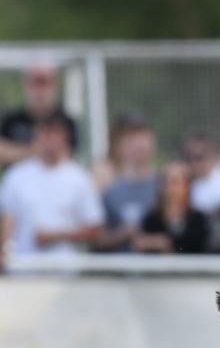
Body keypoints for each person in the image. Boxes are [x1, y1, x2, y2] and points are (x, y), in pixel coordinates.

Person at [0, 113, 103, 264]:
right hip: (23, 270)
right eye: (44, 132)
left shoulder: (79, 178)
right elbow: (8, 220)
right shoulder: (16, 176)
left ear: (65, 137)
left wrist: (57, 236)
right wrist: (5, 251)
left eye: (54, 133)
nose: (49, 140)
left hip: (66, 274)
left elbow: (94, 227)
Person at [95, 117, 159, 252]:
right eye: (134, 141)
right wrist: (123, 234)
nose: (140, 146)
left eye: (145, 141)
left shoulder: (167, 186)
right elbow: (97, 240)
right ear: (122, 147)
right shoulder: (110, 191)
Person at [0, 65, 78, 167]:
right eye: (35, 84)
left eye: (45, 84)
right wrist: (34, 150)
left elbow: (68, 154)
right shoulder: (12, 120)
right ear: (26, 85)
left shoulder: (66, 121)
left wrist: (18, 152)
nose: (40, 91)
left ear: (55, 86)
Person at [133, 160, 208, 254]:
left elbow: (196, 247)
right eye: (165, 182)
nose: (169, 188)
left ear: (187, 186)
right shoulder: (152, 219)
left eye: (175, 182)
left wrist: (165, 243)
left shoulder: (198, 220)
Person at [181, 131, 220, 215]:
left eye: (198, 157)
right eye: (188, 157)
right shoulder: (188, 181)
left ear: (212, 155)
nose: (193, 163)